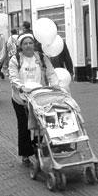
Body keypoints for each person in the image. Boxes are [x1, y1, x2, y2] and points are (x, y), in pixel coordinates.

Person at [8, 33, 58, 165]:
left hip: (39, 98)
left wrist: (55, 86)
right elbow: (13, 77)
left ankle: (38, 148)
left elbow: (51, 73)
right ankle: (25, 154)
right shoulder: (16, 59)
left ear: (34, 44)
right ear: (20, 46)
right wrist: (21, 87)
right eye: (25, 43)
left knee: (41, 124)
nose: (28, 45)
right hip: (21, 99)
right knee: (24, 126)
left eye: (30, 43)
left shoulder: (41, 57)